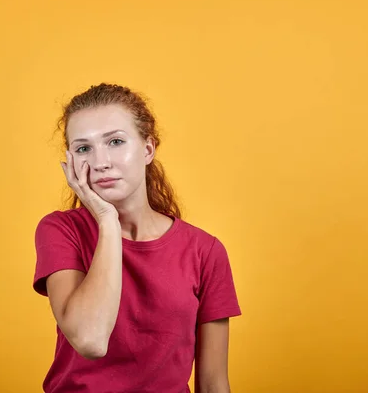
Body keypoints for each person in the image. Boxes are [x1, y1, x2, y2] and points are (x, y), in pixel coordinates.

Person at [32, 83, 241, 393]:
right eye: (83, 148)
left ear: (147, 149)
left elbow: (213, 384)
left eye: (115, 141)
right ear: (71, 162)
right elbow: (90, 339)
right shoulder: (61, 231)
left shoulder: (204, 251)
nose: (101, 162)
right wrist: (108, 221)